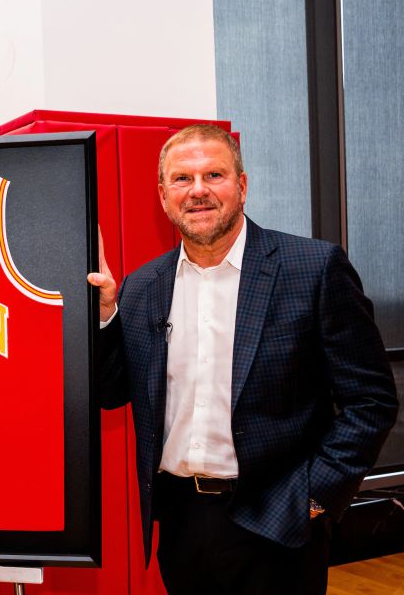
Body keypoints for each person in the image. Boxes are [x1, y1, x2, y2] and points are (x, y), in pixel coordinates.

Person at [87, 124, 398, 594]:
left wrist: (314, 497)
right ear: (163, 195)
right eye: (182, 179)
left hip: (280, 519)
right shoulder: (143, 286)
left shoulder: (311, 269)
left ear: (242, 185)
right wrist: (107, 315)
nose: (198, 191)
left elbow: (371, 402)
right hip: (179, 522)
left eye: (214, 174)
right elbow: (112, 395)